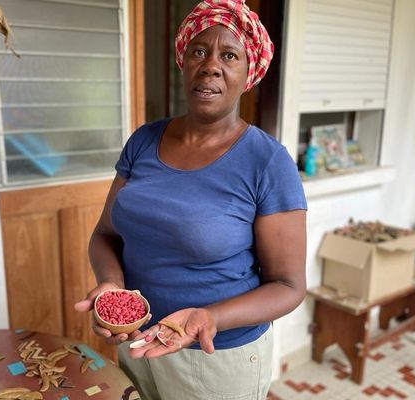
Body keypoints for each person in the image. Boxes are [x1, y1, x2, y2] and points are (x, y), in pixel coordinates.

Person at [74, 0, 307, 398]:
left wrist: (209, 316)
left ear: (248, 72)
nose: (211, 65)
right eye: (200, 51)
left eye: (229, 55)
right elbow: (105, 235)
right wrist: (111, 285)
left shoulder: (267, 162)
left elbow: (288, 285)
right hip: (139, 340)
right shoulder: (144, 140)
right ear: (183, 61)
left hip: (217, 356)